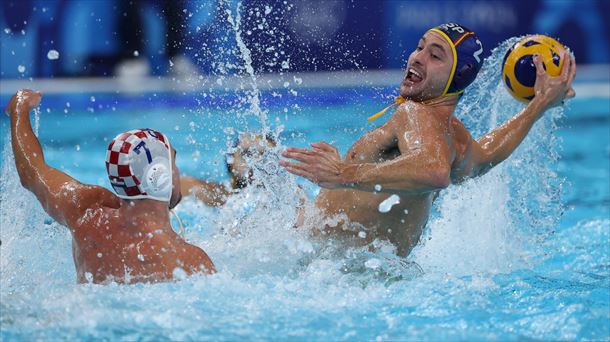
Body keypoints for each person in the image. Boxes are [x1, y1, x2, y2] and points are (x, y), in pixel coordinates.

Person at [280, 23, 576, 256]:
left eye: (435, 56)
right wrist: (538, 106)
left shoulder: (414, 113)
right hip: (363, 273)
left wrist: (344, 172)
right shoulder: (453, 136)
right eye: (420, 47)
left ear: (459, 76)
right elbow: (485, 155)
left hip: (322, 266)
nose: (417, 58)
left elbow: (433, 171)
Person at [6, 89, 216, 284]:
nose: (178, 172)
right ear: (158, 176)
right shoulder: (189, 260)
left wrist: (19, 108)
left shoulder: (85, 213)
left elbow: (32, 173)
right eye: (173, 163)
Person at [180, 132, 277, 206]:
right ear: (231, 161)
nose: (255, 163)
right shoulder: (212, 195)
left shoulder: (286, 205)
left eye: (264, 157)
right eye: (247, 154)